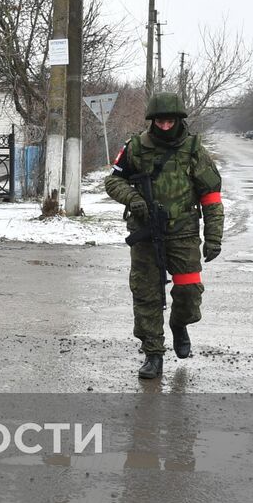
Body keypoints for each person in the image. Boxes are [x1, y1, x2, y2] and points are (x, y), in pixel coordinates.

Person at [104, 92, 224, 379]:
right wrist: (132, 199)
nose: (165, 126)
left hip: (183, 233)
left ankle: (179, 324)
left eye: (170, 121)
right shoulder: (135, 147)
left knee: (188, 291)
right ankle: (153, 354)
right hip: (145, 232)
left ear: (179, 119)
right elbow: (113, 180)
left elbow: (211, 195)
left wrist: (214, 236)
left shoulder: (194, 150)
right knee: (146, 294)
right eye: (160, 121)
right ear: (152, 121)